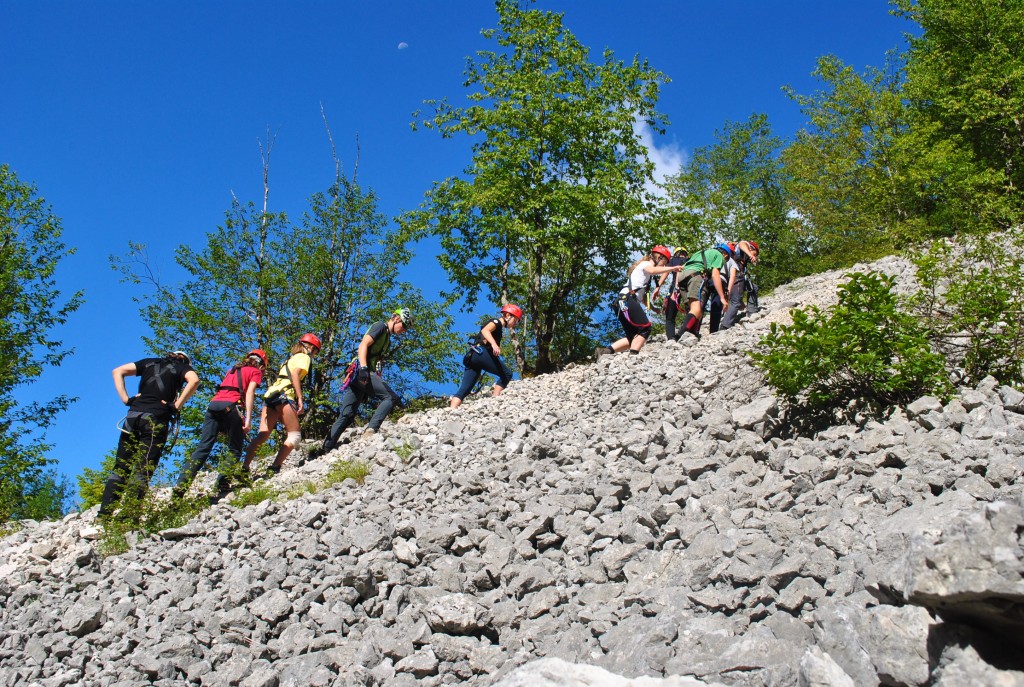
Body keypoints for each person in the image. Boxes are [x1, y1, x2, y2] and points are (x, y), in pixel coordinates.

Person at [100, 351, 200, 518]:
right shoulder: (183, 367)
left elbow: (117, 371)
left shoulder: (148, 362)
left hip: (132, 417)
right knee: (143, 468)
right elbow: (194, 380)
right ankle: (128, 516)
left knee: (121, 466)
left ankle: (104, 514)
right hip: (155, 418)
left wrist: (126, 399)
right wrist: (176, 406)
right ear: (184, 361)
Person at [173, 349, 266, 498]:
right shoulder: (256, 372)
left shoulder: (232, 370)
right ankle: (222, 484)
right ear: (261, 364)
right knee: (235, 448)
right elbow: (249, 393)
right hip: (232, 407)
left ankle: (180, 486)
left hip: (213, 406)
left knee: (203, 447)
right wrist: (248, 418)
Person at [319, 309, 410, 453]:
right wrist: (363, 368)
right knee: (390, 397)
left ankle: (325, 449)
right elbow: (363, 345)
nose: (404, 331)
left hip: (361, 374)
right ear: (397, 319)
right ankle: (371, 430)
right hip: (361, 370)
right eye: (404, 326)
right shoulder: (380, 326)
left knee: (347, 415)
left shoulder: (387, 339)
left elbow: (378, 362)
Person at [242, 333, 320, 478]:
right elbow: (296, 375)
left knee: (263, 434)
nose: (314, 355)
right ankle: (275, 467)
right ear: (310, 348)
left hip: (271, 395)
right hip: (285, 395)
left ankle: (244, 467)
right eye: (315, 352)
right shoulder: (304, 357)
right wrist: (300, 398)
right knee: (295, 435)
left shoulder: (288, 360)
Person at [595, 245, 683, 358]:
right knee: (645, 328)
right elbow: (653, 270)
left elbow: (642, 298)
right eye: (664, 262)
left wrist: (653, 308)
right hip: (626, 300)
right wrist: (672, 268)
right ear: (659, 257)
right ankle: (633, 358)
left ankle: (604, 352)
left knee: (633, 337)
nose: (665, 265)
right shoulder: (646, 264)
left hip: (622, 301)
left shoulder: (644, 276)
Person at [450, 304, 523, 408]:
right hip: (480, 353)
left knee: (465, 389)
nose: (515, 324)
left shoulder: (498, 328)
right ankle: (495, 400)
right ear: (507, 315)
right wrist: (494, 344)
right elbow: (485, 330)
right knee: (507, 374)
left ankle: (451, 411)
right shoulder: (496, 322)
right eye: (515, 320)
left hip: (473, 356)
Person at [674, 243, 733, 339]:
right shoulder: (719, 255)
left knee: (693, 309)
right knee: (696, 309)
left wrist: (676, 287)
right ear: (725, 255)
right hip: (695, 276)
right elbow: (715, 275)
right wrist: (722, 297)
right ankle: (679, 335)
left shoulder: (700, 253)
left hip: (682, 277)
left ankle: (691, 334)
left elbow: (682, 267)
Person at [720, 240, 760, 330]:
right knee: (736, 302)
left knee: (753, 287)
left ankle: (752, 311)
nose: (755, 256)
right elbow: (742, 244)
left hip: (735, 277)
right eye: (755, 253)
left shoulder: (743, 258)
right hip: (736, 276)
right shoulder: (744, 245)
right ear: (751, 248)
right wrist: (750, 254)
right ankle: (725, 325)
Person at [656, 246, 690, 341]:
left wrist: (658, 287)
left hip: (674, 288)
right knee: (690, 310)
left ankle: (671, 337)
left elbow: (665, 273)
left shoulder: (673, 260)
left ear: (675, 253)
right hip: (688, 287)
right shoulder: (690, 260)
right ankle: (688, 332)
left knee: (670, 316)